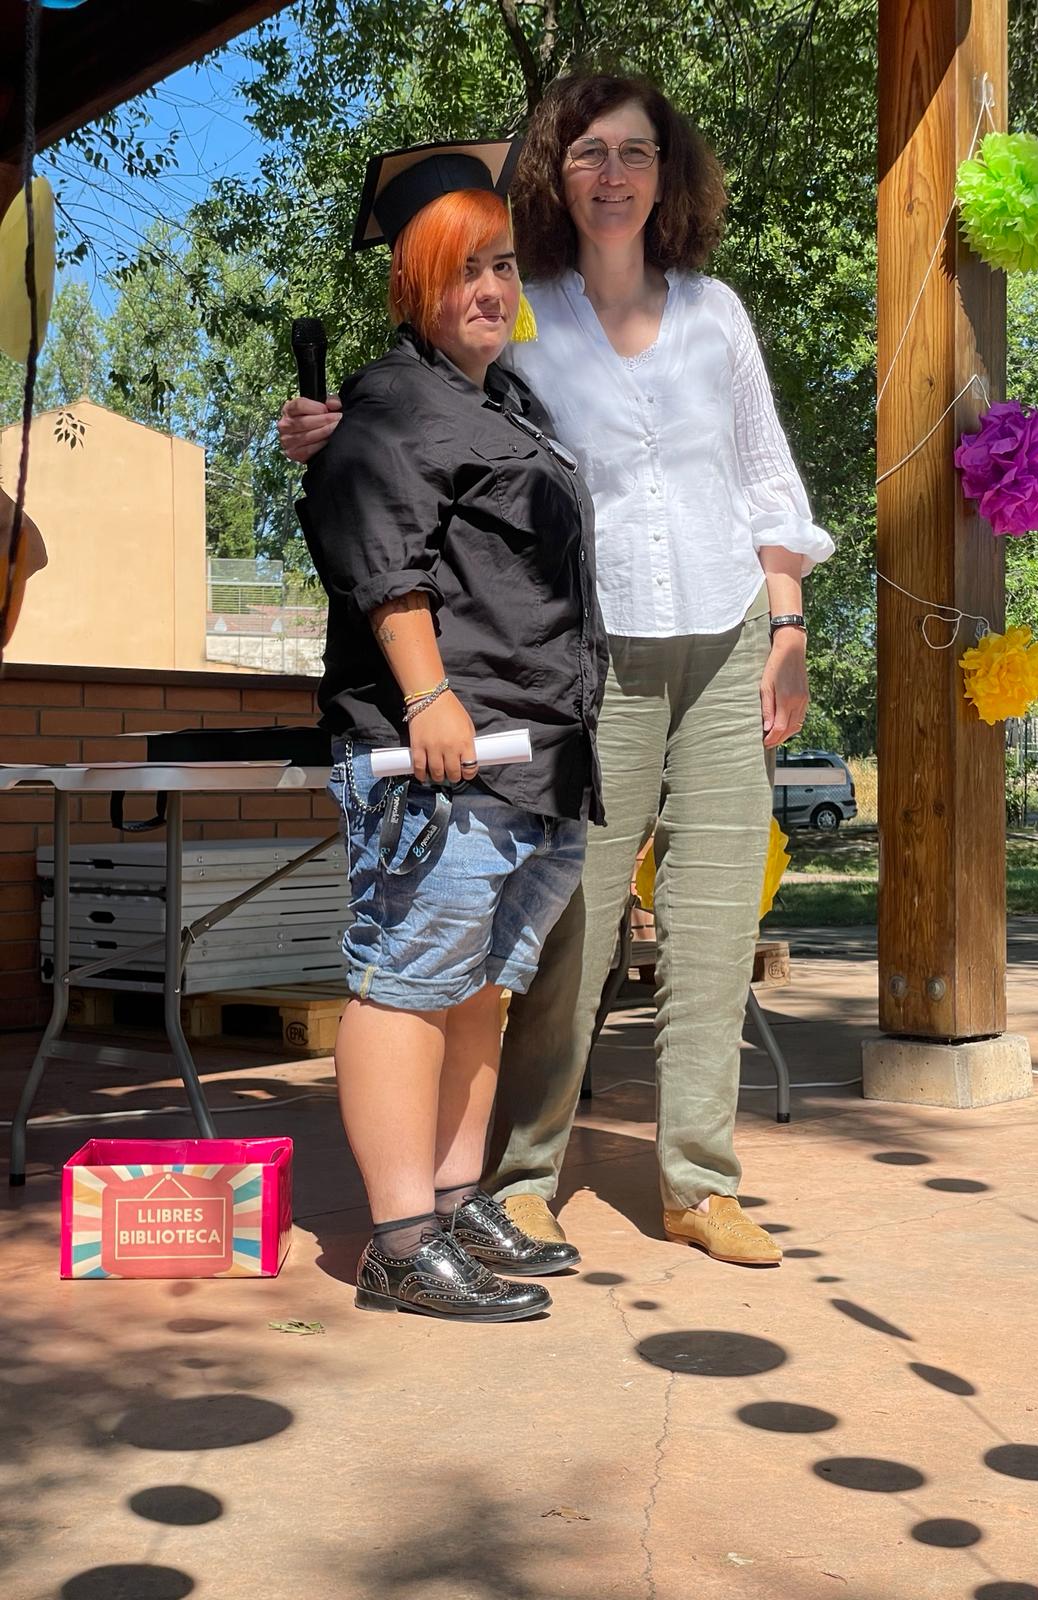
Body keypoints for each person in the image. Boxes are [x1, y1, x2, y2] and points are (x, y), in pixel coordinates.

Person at [281, 76, 833, 1269]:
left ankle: (700, 1180)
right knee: (563, 931)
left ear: (667, 172)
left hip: (727, 629)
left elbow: (765, 477)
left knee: (712, 919)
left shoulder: (715, 313)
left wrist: (787, 627)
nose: (614, 174)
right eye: (589, 152)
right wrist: (342, 429)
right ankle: (522, 1175)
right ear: (555, 175)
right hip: (595, 655)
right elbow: (434, 419)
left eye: (636, 151)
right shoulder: (526, 309)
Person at [295, 138, 607, 1320]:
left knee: (476, 987)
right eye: (462, 268)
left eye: (502, 265)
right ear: (411, 284)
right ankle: (397, 1241)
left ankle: (456, 1198)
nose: (490, 287)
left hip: (532, 757)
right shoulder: (390, 400)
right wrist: (430, 697)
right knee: (407, 985)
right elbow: (387, 558)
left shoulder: (507, 403)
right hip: (444, 756)